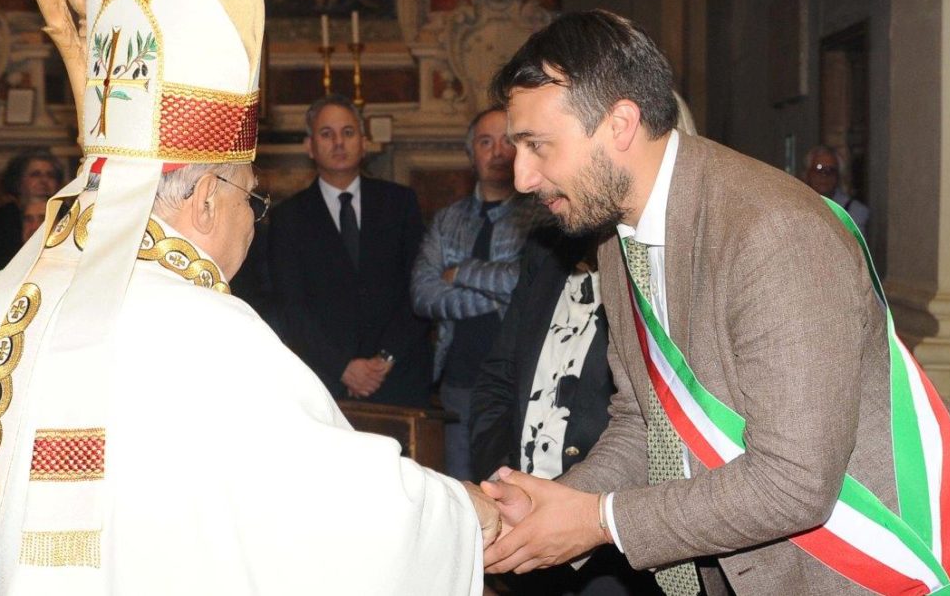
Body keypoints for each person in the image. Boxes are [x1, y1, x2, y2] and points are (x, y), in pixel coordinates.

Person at [0, 0, 496, 593]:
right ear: (205, 199)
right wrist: (462, 514)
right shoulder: (203, 331)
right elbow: (334, 514)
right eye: (250, 197)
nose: (252, 220)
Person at [479, 10, 950, 595]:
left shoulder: (773, 231)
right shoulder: (615, 236)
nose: (522, 177)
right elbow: (646, 419)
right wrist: (557, 505)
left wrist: (599, 521)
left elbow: (794, 484)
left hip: (857, 574)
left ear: (620, 124)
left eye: (537, 146)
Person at [470, 228, 659, 596]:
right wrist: (502, 478)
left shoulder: (653, 255)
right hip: (521, 523)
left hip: (610, 542)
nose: (534, 195)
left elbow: (650, 415)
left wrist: (582, 510)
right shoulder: (545, 248)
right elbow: (498, 379)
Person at [268, 94, 432, 407]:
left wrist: (384, 359)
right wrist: (343, 368)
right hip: (325, 382)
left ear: (364, 142)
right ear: (310, 146)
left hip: (399, 377)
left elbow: (419, 289)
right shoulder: (289, 217)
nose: (339, 143)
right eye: (326, 134)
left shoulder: (399, 203)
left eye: (348, 132)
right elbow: (291, 308)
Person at [410, 106, 545, 479]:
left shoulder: (541, 215)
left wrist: (461, 272)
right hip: (458, 381)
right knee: (460, 488)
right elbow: (423, 294)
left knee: (516, 486)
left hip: (521, 381)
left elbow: (526, 283)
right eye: (486, 142)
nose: (497, 151)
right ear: (471, 153)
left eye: (507, 141)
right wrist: (497, 295)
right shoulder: (447, 220)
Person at [0, 150, 64, 291]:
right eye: (35, 174)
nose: (43, 180)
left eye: (50, 175)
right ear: (18, 181)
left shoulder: (70, 214)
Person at [803, 144, 869, 237]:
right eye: (819, 168)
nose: (824, 175)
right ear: (807, 174)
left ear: (838, 175)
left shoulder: (855, 211)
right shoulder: (796, 204)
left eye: (831, 170)